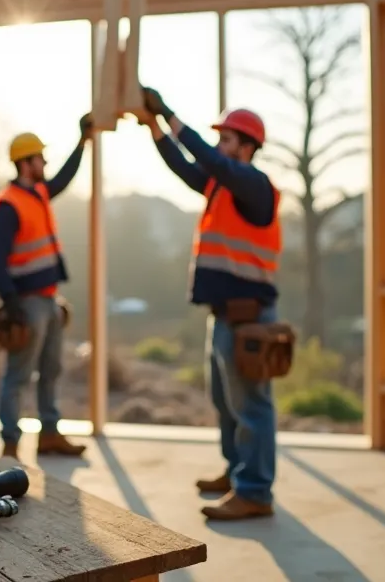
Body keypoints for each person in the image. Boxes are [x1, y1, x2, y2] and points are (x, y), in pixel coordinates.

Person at [137, 87, 282, 521]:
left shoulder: (255, 187)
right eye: (218, 139)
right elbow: (185, 167)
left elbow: (208, 160)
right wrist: (153, 126)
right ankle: (238, 472)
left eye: (227, 139)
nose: (219, 147)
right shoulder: (223, 188)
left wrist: (172, 116)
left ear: (248, 147)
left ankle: (255, 491)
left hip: (249, 317)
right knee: (226, 401)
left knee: (252, 405)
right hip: (225, 315)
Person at [0, 116, 95, 460]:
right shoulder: (8, 206)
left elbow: (64, 177)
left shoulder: (38, 195)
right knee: (18, 374)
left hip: (48, 300)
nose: (45, 164)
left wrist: (82, 142)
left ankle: (49, 434)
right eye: (40, 159)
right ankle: (10, 445)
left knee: (51, 370)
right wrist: (12, 303)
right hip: (27, 305)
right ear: (26, 163)